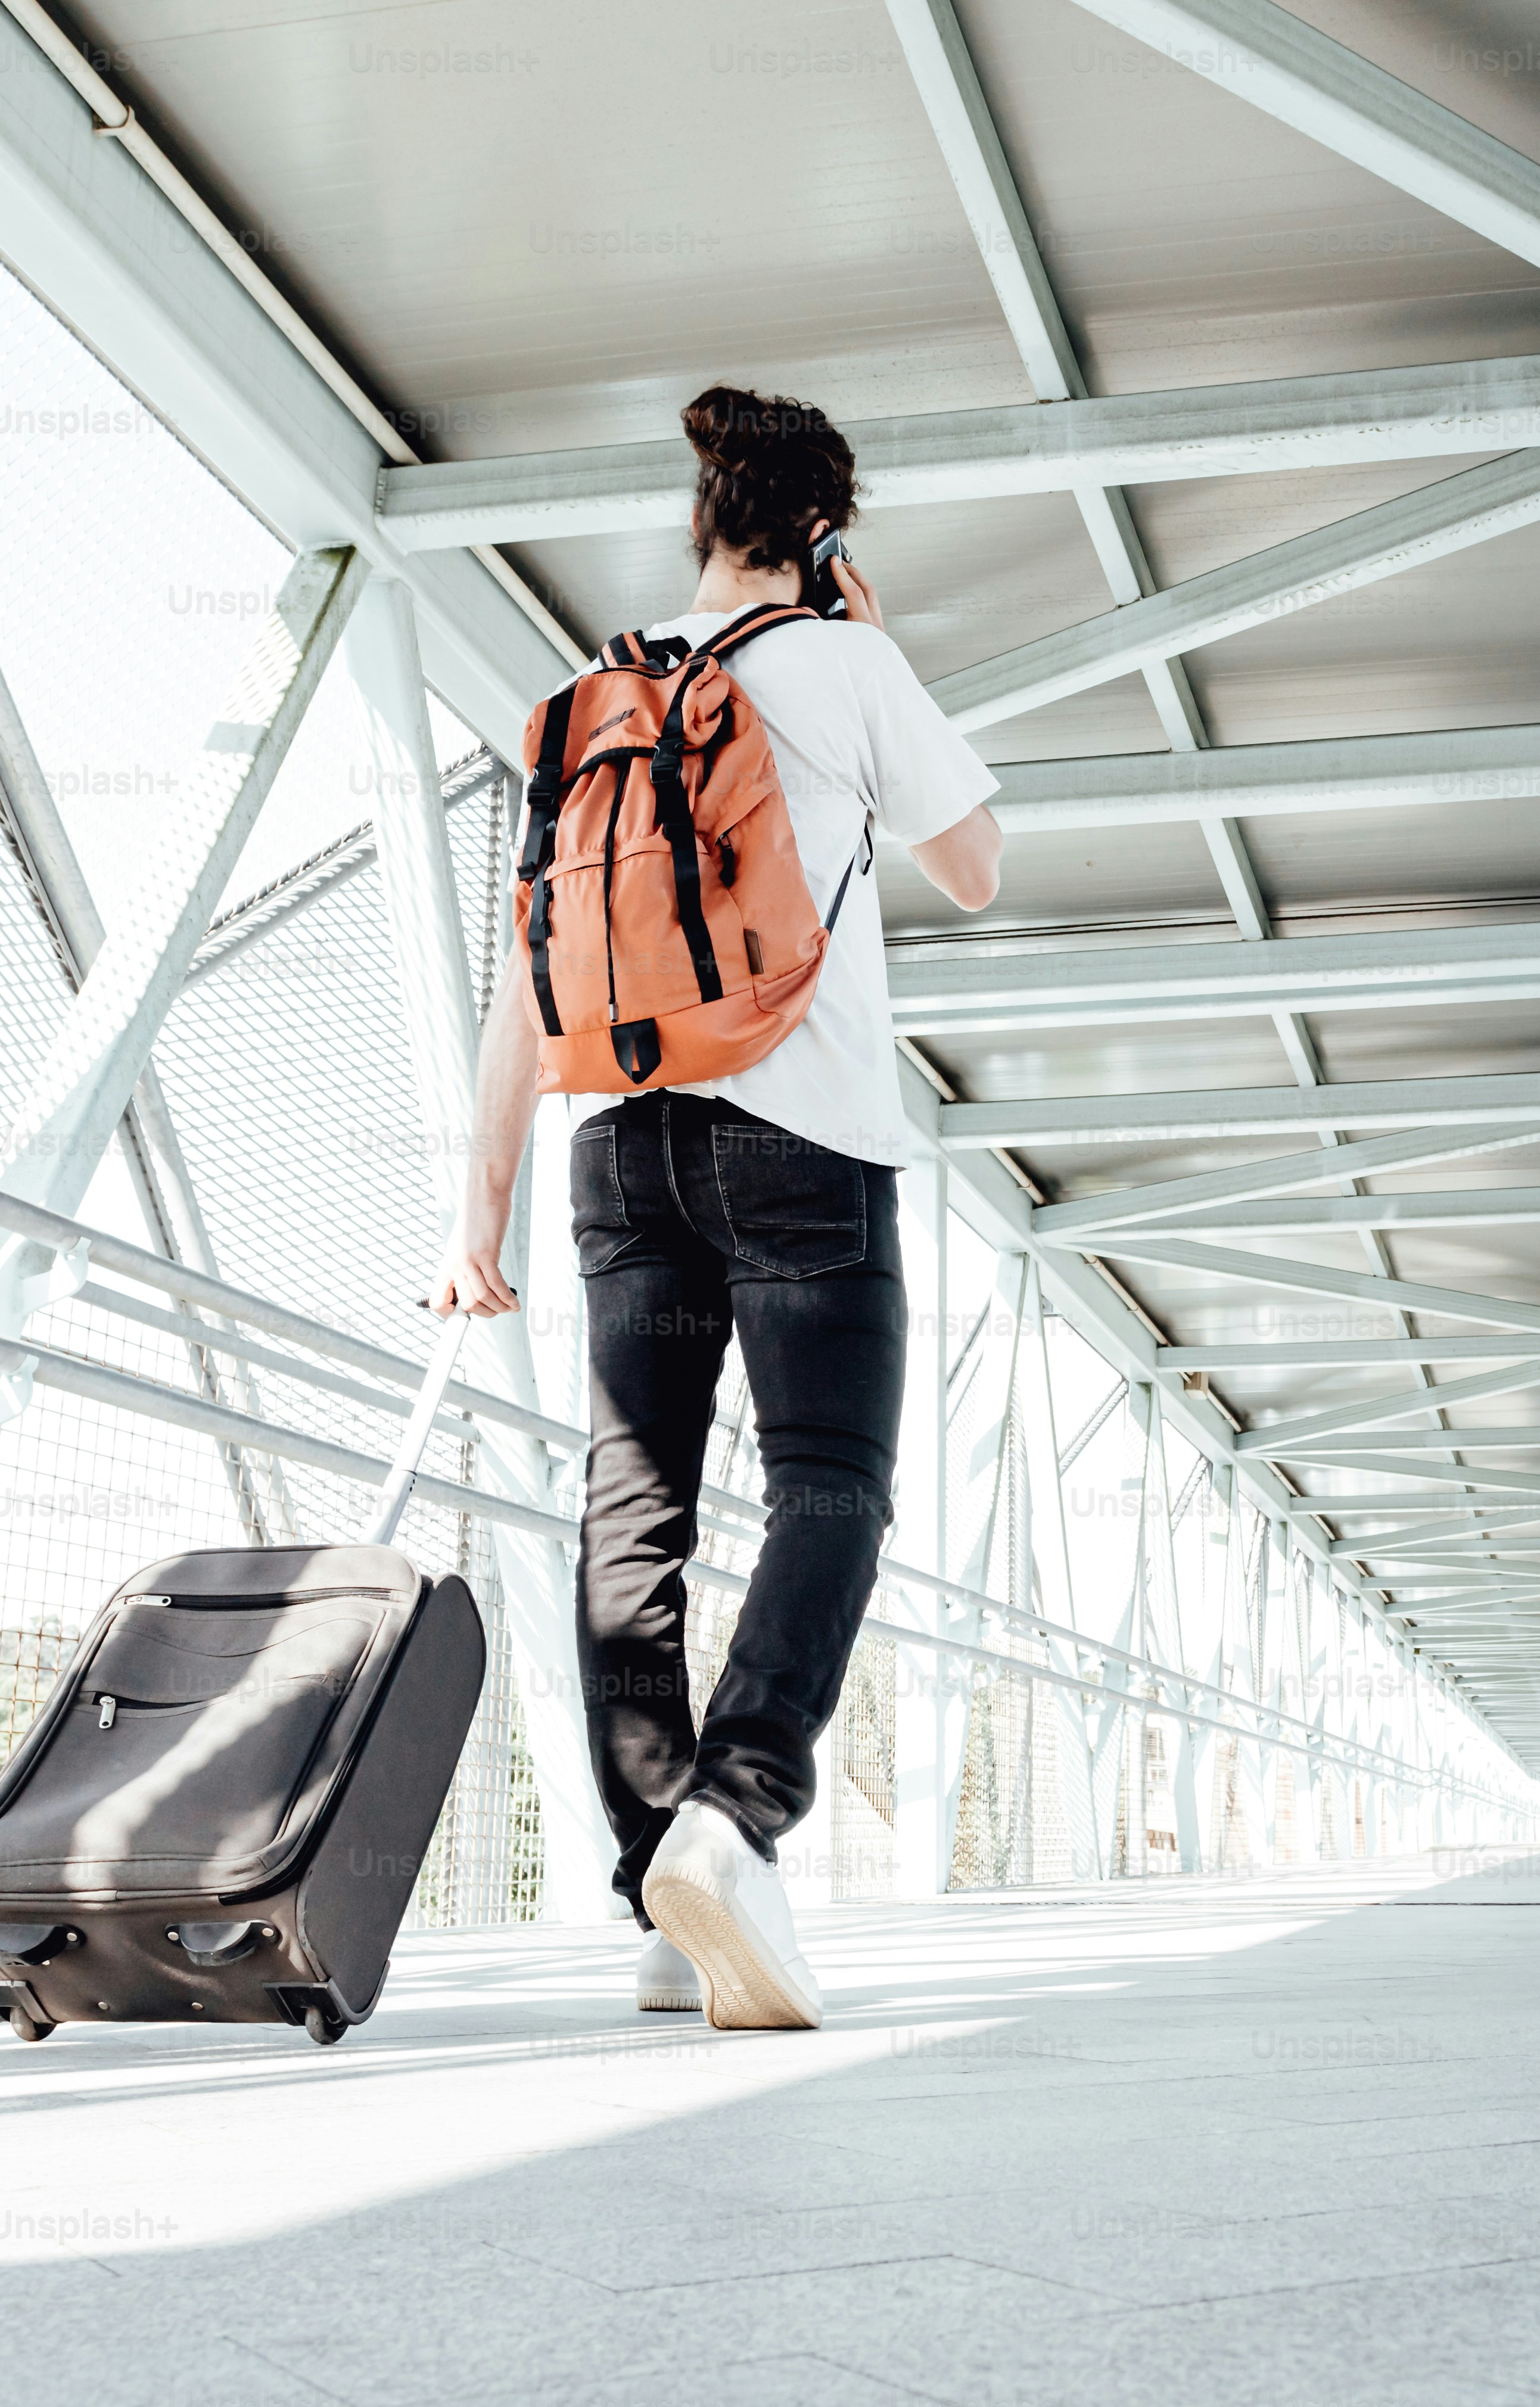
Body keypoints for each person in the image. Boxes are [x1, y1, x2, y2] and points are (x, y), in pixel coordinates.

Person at [428, 385, 1003, 2029]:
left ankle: (654, 1891)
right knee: (827, 1482)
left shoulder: (580, 701)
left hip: (618, 1145)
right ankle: (731, 1818)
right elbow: (973, 866)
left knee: (635, 1513)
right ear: (822, 539)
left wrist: (476, 1217)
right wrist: (871, 654)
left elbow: (524, 985)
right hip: (798, 1136)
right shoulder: (845, 664)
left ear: (698, 526)